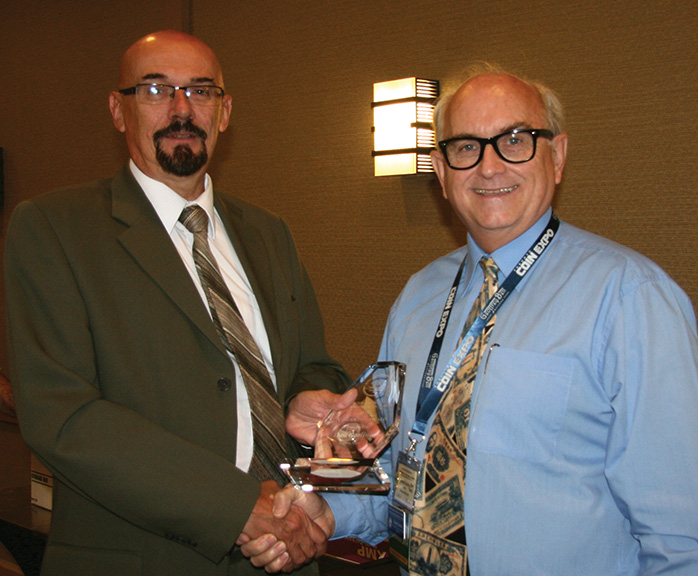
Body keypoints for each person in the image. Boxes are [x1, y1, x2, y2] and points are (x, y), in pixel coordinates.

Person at [245, 63, 698, 575]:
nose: (489, 166)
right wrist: (327, 510)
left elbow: (681, 535)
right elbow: (403, 473)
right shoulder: (418, 297)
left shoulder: (632, 299)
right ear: (441, 172)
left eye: (516, 139)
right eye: (466, 147)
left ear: (558, 156)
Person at [4, 30, 353, 576]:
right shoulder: (53, 229)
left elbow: (312, 362)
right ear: (118, 111)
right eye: (155, 89)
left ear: (225, 110)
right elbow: (62, 414)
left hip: (285, 552)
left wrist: (310, 395)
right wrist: (238, 508)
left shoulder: (269, 233)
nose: (181, 109)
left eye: (200, 91)